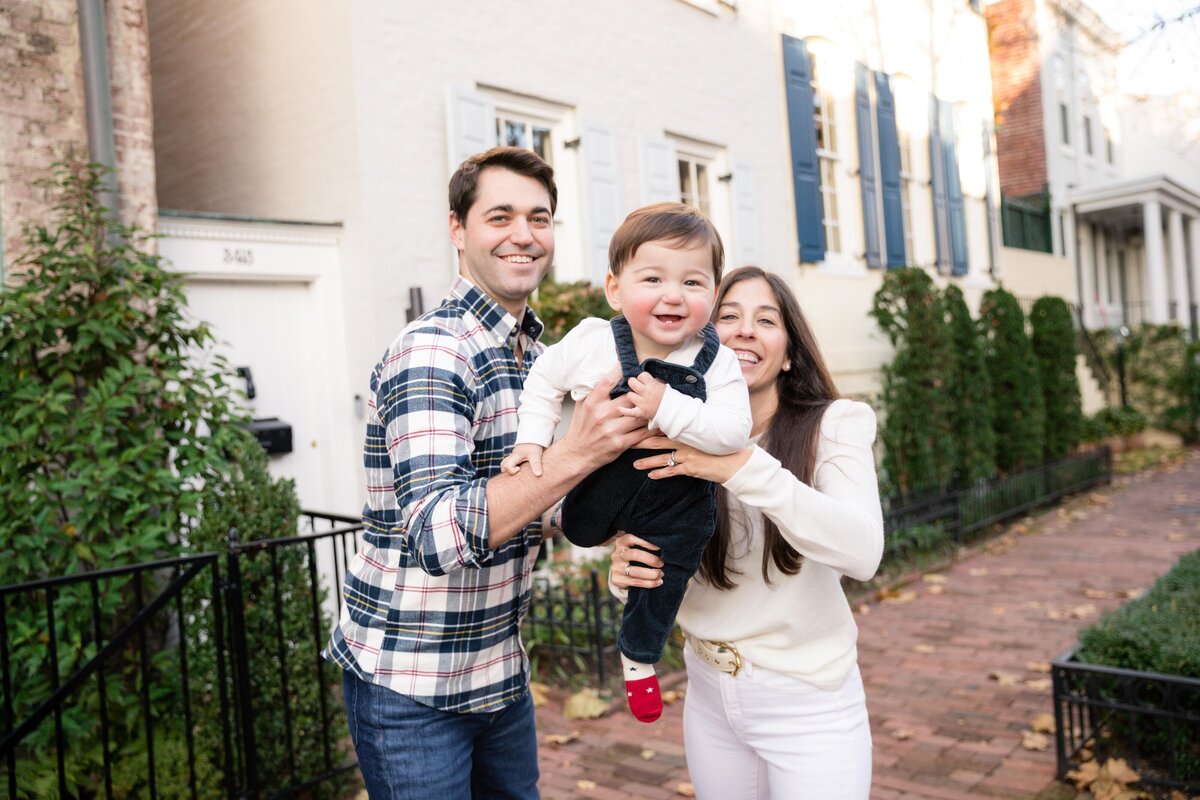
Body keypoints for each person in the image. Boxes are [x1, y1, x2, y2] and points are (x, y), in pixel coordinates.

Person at [324, 146, 647, 800]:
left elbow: (533, 496)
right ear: (457, 230)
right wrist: (576, 453)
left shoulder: (536, 351)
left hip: (498, 671)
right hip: (412, 688)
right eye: (500, 216)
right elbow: (438, 536)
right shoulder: (434, 353)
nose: (524, 235)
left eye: (540, 217)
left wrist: (613, 518)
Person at [608, 266, 884, 798]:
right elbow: (669, 565)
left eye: (766, 320)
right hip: (708, 696)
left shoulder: (835, 425)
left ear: (789, 354)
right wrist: (629, 572)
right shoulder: (664, 434)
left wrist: (738, 466)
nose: (743, 330)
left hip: (809, 701)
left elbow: (862, 551)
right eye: (727, 317)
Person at [501, 202, 751, 723]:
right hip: (607, 481)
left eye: (693, 282)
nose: (673, 295)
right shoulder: (594, 340)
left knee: (670, 566)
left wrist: (668, 405)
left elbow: (732, 432)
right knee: (583, 528)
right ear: (616, 289)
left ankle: (639, 658)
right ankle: (615, 565)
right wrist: (532, 438)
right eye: (653, 278)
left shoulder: (718, 360)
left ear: (714, 292)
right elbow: (544, 380)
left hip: (677, 496)